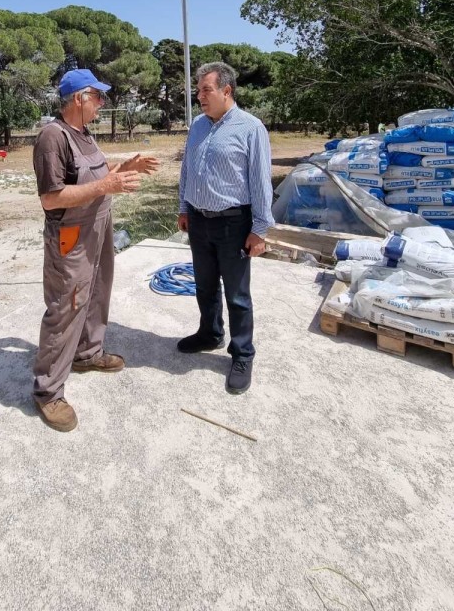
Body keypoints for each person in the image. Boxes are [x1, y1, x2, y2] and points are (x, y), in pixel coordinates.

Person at [32, 68, 160, 432]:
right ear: (79, 98)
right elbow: (51, 197)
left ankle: (87, 354)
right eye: (98, 96)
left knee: (97, 293)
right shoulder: (52, 137)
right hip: (72, 234)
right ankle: (47, 391)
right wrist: (107, 184)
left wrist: (125, 168)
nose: (102, 103)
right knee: (66, 307)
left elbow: (96, 177)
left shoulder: (84, 134)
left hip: (98, 228)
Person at [177, 62, 274, 395]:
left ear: (226, 91)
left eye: (206, 90)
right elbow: (187, 170)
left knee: (237, 295)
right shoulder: (198, 126)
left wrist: (259, 230)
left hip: (234, 223)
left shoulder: (251, 128)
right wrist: (184, 208)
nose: (200, 97)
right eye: (198, 91)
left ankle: (242, 353)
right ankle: (210, 333)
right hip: (199, 220)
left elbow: (261, 182)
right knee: (205, 286)